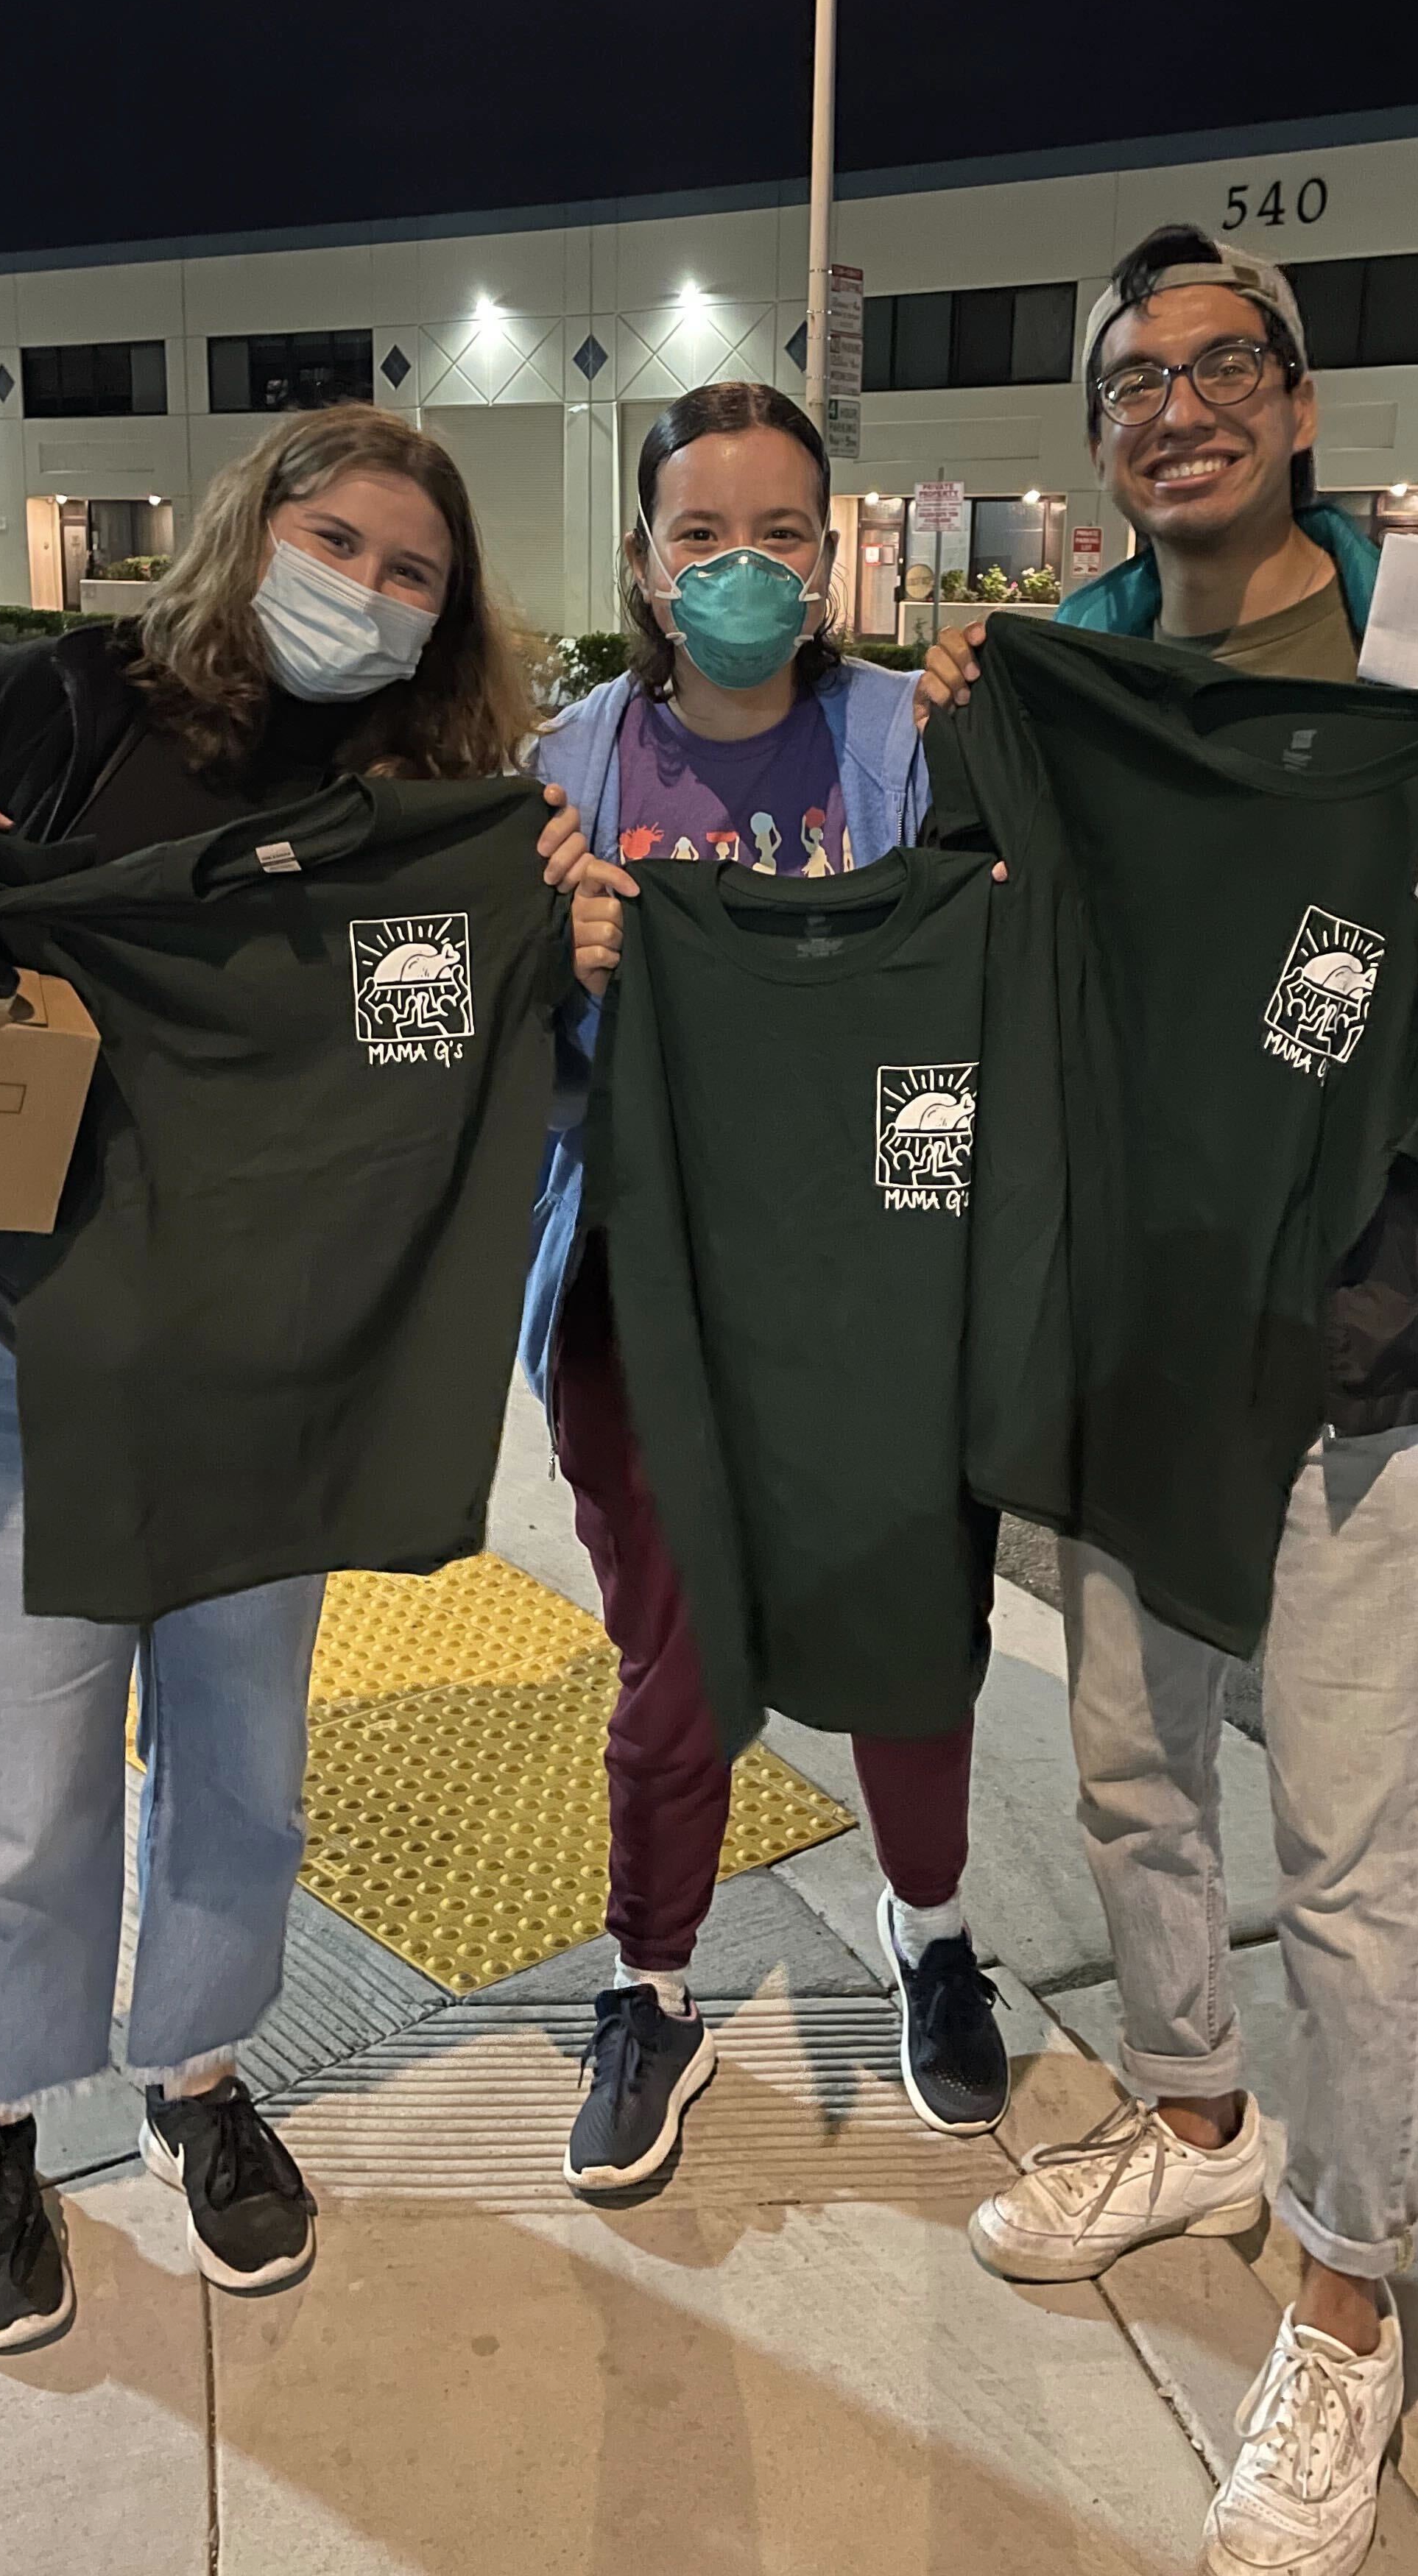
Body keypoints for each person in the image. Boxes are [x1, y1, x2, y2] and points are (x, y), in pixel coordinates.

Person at [916, 228, 1418, 2576]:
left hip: (1369, 1315)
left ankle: (1359, 2296)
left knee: (1355, 1863)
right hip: (1117, 1315)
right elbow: (958, 943)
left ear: (1293, 406)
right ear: (1102, 442)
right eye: (1130, 380)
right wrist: (965, 735)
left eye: (1216, 367)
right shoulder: (1068, 661)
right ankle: (1195, 2125)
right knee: (1130, 1763)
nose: (1172, 405)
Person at [0, 404, 593, 2352]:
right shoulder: (64, 705)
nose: (368, 594)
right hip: (18, 1350)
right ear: (256, 529)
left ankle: (200, 2081)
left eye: (413, 573)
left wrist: (572, 915)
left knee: (242, 1773)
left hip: (278, 1376)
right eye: (340, 544)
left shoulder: (439, 804)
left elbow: (512, 1049)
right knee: (21, 1779)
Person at [528, 377, 1010, 2189]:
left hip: (880, 1272)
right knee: (673, 1643)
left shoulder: (916, 734)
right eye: (701, 535)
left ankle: (933, 1934)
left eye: (782, 532)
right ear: (647, 568)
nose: (743, 565)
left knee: (905, 1625)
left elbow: (988, 980)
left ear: (833, 552)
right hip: (638, 1283)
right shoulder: (567, 769)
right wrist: (550, 957)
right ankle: (651, 1985)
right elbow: (494, 1048)